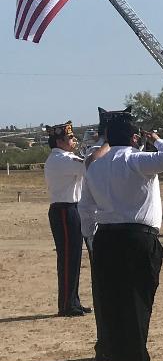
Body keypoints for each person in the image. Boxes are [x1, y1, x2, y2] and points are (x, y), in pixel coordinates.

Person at [80, 118, 163, 361]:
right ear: (135, 138)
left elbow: (85, 206)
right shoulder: (136, 160)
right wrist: (158, 139)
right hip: (137, 238)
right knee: (137, 308)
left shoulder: (95, 165)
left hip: (106, 238)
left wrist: (92, 239)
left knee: (114, 309)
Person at [79, 106, 133, 361]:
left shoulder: (125, 153)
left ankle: (115, 343)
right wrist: (109, 142)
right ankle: (107, 344)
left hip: (120, 228)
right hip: (103, 228)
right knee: (106, 292)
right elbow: (92, 164)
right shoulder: (96, 152)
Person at [44, 120, 89, 317]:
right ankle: (66, 304)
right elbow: (88, 167)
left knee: (74, 256)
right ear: (59, 141)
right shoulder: (60, 159)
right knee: (68, 257)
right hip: (64, 209)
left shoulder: (66, 157)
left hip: (72, 208)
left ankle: (73, 300)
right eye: (70, 137)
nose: (74, 140)